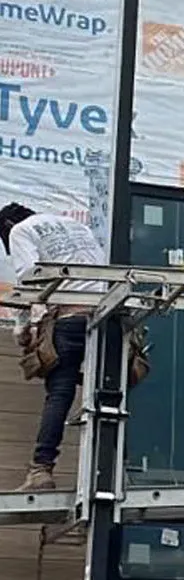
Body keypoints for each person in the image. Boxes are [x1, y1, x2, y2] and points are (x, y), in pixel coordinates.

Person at [0, 203, 107, 492]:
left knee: (60, 393)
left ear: (8, 226)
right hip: (106, 317)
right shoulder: (77, 226)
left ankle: (41, 470)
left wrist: (22, 327)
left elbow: (31, 279)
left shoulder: (20, 231)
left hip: (70, 319)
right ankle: (111, 468)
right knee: (109, 393)